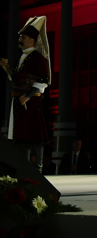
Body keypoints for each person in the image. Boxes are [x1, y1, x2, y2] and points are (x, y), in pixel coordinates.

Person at [1, 16, 51, 173]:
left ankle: (36, 171)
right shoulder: (20, 59)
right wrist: (7, 68)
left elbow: (43, 81)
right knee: (21, 138)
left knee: (34, 137)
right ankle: (23, 171)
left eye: (23, 37)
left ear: (32, 40)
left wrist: (27, 96)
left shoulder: (38, 59)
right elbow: (16, 78)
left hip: (31, 103)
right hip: (19, 102)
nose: (20, 40)